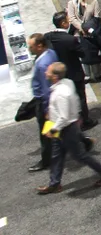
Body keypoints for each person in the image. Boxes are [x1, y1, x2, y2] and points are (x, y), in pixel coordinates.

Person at [36, 63, 101, 195]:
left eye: (48, 72)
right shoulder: (67, 83)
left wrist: (53, 129)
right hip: (65, 126)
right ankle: (54, 183)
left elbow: (64, 117)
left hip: (66, 129)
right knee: (57, 155)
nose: (46, 73)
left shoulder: (61, 93)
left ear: (55, 76)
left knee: (80, 155)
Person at [45, 12, 94, 128]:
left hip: (60, 75)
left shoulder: (49, 36)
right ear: (63, 23)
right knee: (80, 97)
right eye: (68, 20)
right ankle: (85, 121)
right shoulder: (70, 40)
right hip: (74, 73)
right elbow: (82, 54)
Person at [26, 34, 58, 172]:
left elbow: (46, 90)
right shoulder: (51, 52)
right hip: (49, 101)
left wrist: (46, 110)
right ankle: (83, 141)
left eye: (31, 46)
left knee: (46, 133)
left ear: (39, 46)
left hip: (44, 103)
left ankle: (46, 160)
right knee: (57, 129)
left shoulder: (42, 64)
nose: (29, 48)